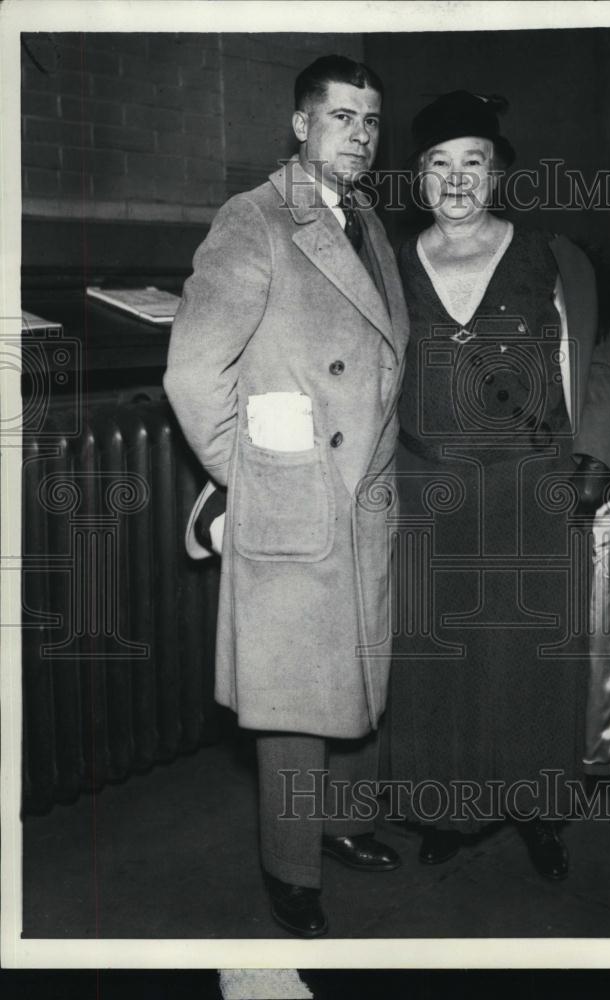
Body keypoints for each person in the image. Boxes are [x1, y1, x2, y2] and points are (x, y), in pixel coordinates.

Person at [387, 91, 610, 877]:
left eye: (471, 163)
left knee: (534, 664)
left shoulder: (556, 257)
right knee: (436, 662)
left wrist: (595, 454)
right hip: (426, 490)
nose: (454, 180)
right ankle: (449, 810)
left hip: (537, 487)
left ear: (498, 174)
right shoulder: (384, 264)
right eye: (437, 165)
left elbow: (604, 359)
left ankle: (540, 812)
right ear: (416, 178)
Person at [164, 55, 410, 938]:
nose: (360, 134)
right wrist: (255, 476)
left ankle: (344, 824)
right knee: (297, 696)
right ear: (300, 125)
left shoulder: (367, 221)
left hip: (366, 498)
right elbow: (194, 371)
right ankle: (288, 868)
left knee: (357, 675)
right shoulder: (257, 218)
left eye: (371, 120)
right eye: (342, 117)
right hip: (299, 500)